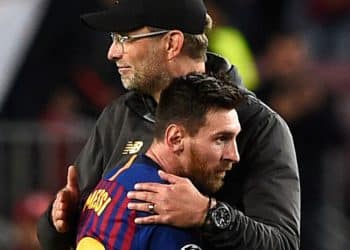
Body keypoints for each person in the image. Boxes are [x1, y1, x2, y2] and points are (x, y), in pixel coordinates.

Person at [37, 0, 300, 249]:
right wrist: (58, 219)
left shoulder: (259, 125)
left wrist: (208, 214)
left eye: (124, 38)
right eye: (113, 39)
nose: (112, 53)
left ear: (172, 43)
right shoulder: (119, 116)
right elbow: (58, 233)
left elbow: (283, 243)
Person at [76, 73, 243, 249]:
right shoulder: (165, 210)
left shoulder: (115, 177)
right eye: (221, 139)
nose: (234, 155)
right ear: (175, 139)